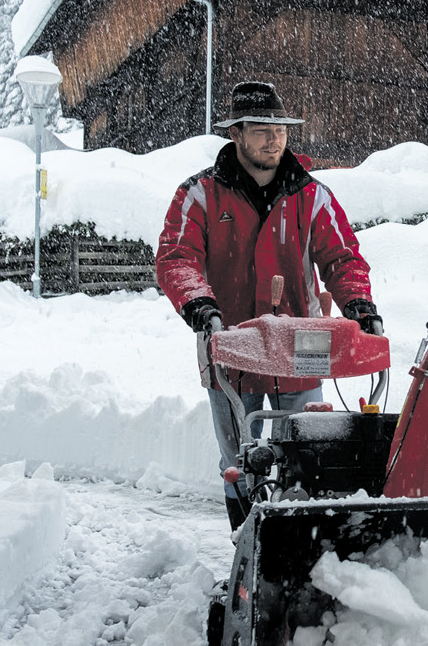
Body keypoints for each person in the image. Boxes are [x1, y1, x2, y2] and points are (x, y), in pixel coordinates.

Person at [155, 81, 382, 529]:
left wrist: (359, 304)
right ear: (236, 134)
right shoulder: (200, 195)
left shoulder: (312, 196)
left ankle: (298, 540)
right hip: (231, 343)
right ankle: (247, 546)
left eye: (280, 129)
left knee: (305, 452)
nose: (274, 139)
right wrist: (201, 306)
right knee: (241, 459)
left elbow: (343, 258)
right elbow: (177, 257)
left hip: (304, 346)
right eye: (261, 129)